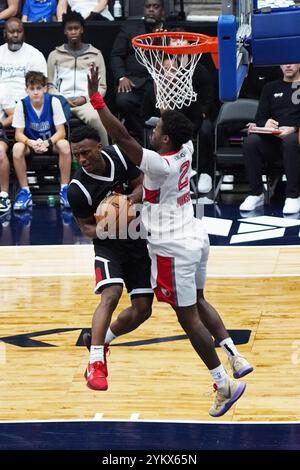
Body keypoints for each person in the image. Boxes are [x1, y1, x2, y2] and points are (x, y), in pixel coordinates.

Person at [87, 65, 253, 417]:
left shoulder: (159, 164)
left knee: (187, 318)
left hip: (172, 248)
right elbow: (170, 122)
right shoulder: (186, 147)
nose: (153, 130)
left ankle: (223, 382)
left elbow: (123, 139)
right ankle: (235, 356)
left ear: (164, 139)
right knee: (200, 300)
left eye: (157, 129)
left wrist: (98, 101)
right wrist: (165, 94)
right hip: (195, 235)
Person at [68, 125, 154, 391]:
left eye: (85, 153)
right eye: (76, 155)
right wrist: (112, 224)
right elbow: (86, 228)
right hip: (108, 246)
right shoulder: (78, 188)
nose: (82, 160)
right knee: (111, 293)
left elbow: (143, 185)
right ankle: (96, 362)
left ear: (99, 147)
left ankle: (102, 339)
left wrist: (127, 202)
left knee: (143, 309)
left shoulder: (120, 155)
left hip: (138, 240)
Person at [142, 51, 215, 194]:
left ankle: (192, 172)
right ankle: (157, 177)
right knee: (155, 136)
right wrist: (160, 124)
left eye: (173, 70)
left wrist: (177, 127)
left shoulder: (188, 91)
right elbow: (143, 116)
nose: (169, 74)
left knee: (200, 131)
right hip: (160, 131)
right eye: (166, 70)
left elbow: (197, 119)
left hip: (184, 132)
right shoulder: (152, 90)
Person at [240, 64, 300, 215]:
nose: (288, 65)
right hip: (273, 140)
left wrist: (294, 128)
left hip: (296, 139)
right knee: (250, 142)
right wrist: (265, 123)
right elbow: (260, 118)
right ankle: (256, 193)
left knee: (291, 141)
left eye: (292, 61)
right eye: (284, 62)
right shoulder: (270, 87)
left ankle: (293, 195)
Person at [12, 71, 72, 210]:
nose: (35, 92)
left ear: (45, 88)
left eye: (39, 88)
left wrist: (47, 143)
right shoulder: (22, 104)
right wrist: (31, 143)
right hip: (31, 144)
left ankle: (64, 189)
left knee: (64, 145)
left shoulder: (53, 101)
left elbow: (61, 132)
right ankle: (25, 191)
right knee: (17, 148)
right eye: (32, 89)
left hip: (50, 143)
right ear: (26, 89)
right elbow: (18, 135)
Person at [47, 10, 109, 145]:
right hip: (61, 103)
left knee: (98, 119)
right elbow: (50, 86)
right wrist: (62, 98)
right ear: (65, 31)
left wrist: (85, 98)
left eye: (76, 28)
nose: (73, 31)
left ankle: (106, 156)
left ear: (82, 30)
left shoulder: (95, 54)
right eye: (70, 29)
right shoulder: (54, 55)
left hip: (87, 102)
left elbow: (102, 86)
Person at [110, 0, 165, 143]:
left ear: (163, 12)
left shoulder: (170, 32)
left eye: (155, 7)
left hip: (159, 87)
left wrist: (160, 48)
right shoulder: (130, 28)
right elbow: (116, 55)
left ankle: (156, 137)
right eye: (148, 7)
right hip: (134, 83)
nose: (151, 10)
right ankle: (147, 136)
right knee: (123, 101)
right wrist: (121, 77)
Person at [0, 17, 47, 102]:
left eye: (19, 31)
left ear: (24, 33)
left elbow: (40, 86)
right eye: (11, 32)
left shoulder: (34, 54)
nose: (15, 35)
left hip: (26, 102)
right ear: (4, 33)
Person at [0, 84, 15, 213]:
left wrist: (0, 124)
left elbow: (12, 115)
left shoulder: (2, 88)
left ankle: (3, 196)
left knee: (0, 152)